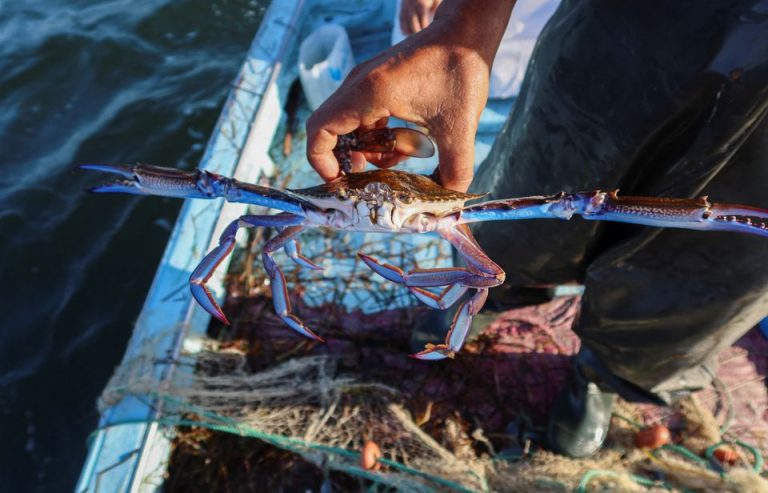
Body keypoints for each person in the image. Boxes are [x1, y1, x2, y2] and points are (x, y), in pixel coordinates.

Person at [306, 0, 768, 457]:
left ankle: (606, 373)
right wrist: (466, 22)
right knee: (538, 184)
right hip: (635, 31)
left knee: (706, 276)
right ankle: (485, 295)